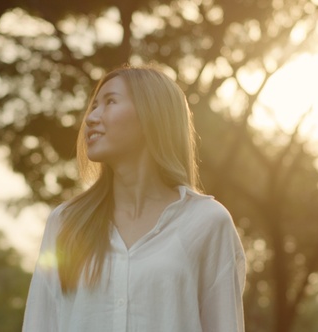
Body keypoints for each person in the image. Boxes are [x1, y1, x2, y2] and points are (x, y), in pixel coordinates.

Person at [22, 65, 246, 332]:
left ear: (151, 114)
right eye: (93, 106)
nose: (91, 117)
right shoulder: (65, 222)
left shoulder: (207, 222)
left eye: (110, 102)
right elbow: (40, 324)